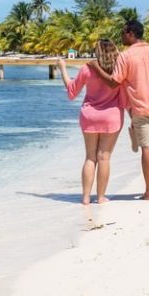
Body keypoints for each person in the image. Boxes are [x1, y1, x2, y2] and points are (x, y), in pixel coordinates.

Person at [88, 20, 149, 200]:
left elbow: (114, 82)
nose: (121, 36)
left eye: (123, 33)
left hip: (140, 109)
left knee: (147, 148)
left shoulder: (126, 56)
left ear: (131, 34)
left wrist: (96, 68)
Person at [57, 39, 127, 205]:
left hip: (89, 116)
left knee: (90, 157)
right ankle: (101, 197)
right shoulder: (119, 70)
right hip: (111, 116)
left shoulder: (87, 69)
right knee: (104, 157)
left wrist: (62, 69)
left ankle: (86, 197)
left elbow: (71, 92)